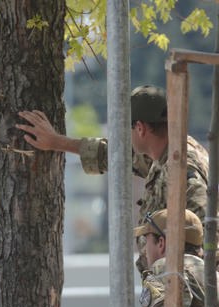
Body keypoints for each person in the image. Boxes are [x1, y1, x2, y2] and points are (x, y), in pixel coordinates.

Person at [17, 85, 208, 270]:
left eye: (127, 130)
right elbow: (116, 154)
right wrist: (56, 142)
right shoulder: (166, 151)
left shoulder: (182, 170)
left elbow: (203, 240)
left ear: (140, 128)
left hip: (184, 293)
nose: (125, 138)